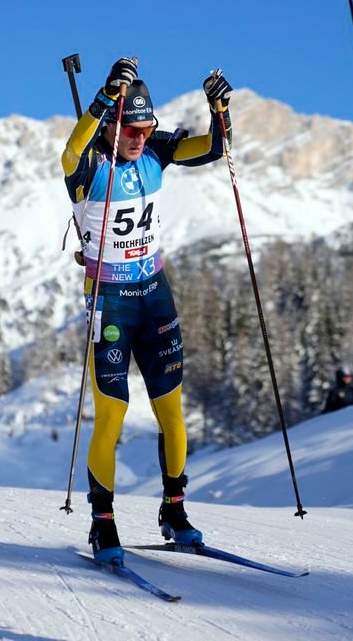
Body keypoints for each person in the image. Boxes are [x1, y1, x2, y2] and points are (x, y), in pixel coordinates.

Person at [61, 57, 233, 564]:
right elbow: (69, 148)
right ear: (111, 124)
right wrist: (101, 100)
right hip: (111, 303)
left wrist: (220, 108)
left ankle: (174, 511)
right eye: (130, 128)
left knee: (172, 415)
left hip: (156, 295)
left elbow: (217, 148)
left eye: (146, 128)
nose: (139, 137)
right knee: (111, 417)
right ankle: (103, 522)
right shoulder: (87, 166)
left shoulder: (157, 149)